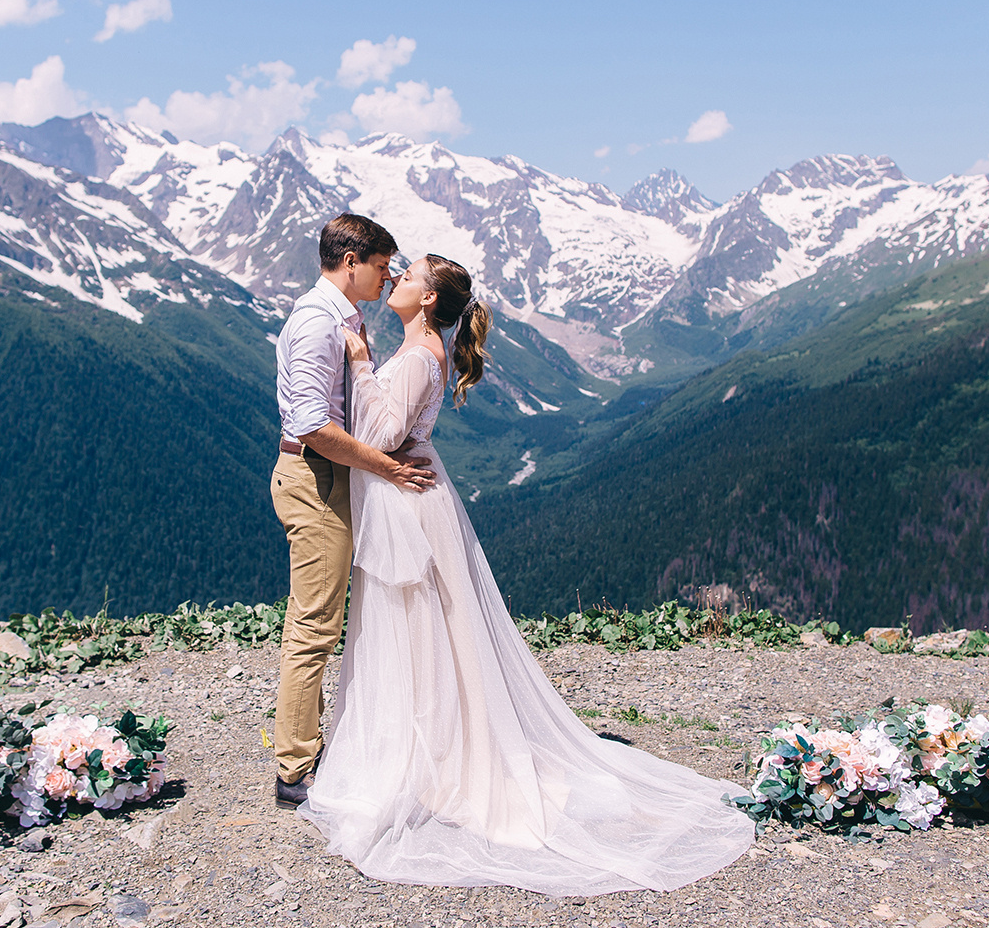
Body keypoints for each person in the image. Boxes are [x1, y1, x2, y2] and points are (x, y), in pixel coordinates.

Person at [299, 254, 756, 894]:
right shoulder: (426, 347)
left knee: (413, 629)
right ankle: (429, 751)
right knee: (429, 630)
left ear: (429, 301)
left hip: (408, 502)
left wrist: (358, 362)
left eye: (408, 277)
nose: (396, 279)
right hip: (414, 495)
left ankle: (426, 762)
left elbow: (377, 432)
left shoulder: (418, 353)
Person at [270, 213, 435, 808]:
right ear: (351, 263)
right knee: (315, 624)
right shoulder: (317, 325)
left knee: (324, 620)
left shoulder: (340, 319)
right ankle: (295, 770)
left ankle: (317, 748)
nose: (387, 278)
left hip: (333, 477)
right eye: (382, 267)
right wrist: (387, 467)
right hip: (314, 478)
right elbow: (313, 425)